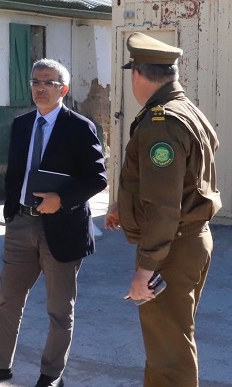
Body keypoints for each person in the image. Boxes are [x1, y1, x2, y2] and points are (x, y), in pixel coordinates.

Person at [0, 59, 107, 387]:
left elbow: (97, 178)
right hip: (21, 226)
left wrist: (63, 199)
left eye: (48, 83)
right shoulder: (22, 124)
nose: (40, 88)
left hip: (62, 227)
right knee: (7, 301)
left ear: (63, 90)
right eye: (36, 82)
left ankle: (51, 375)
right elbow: (16, 172)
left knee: (59, 310)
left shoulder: (79, 127)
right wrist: (12, 211)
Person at [104, 32, 221, 386]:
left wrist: (146, 268)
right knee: (167, 342)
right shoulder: (185, 109)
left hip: (172, 247)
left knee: (169, 353)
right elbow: (178, 183)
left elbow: (164, 204)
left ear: (137, 73)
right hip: (187, 239)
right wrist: (126, 206)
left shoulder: (161, 123)